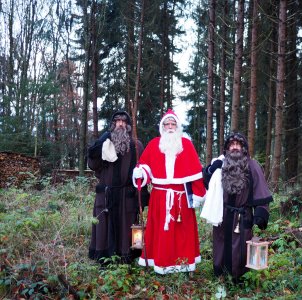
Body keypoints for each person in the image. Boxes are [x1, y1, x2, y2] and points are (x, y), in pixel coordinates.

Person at [132, 109, 206, 274]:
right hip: (159, 197)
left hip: (181, 199)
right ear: (162, 127)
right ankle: (160, 263)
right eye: (167, 124)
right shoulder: (154, 144)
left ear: (178, 126)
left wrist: (198, 194)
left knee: (182, 234)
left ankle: (184, 265)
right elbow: (145, 166)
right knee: (160, 232)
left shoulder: (186, 145)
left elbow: (196, 174)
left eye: (173, 124)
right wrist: (140, 172)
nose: (170, 127)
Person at [201, 132, 273, 281]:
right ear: (227, 148)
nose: (234, 147)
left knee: (239, 248)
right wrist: (212, 168)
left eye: (237, 144)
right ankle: (220, 275)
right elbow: (208, 182)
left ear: (243, 147)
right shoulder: (221, 164)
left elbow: (260, 190)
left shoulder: (252, 165)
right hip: (222, 214)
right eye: (231, 145)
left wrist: (260, 213)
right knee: (220, 245)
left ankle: (238, 278)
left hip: (242, 216)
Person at [87, 111, 148, 264]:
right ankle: (104, 259)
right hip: (106, 194)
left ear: (128, 125)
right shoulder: (104, 143)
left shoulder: (136, 145)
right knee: (104, 227)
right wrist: (100, 143)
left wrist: (143, 194)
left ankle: (128, 258)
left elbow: (144, 171)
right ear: (112, 124)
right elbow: (93, 165)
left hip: (127, 194)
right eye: (117, 121)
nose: (120, 123)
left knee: (128, 226)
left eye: (123, 121)